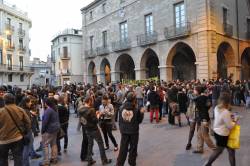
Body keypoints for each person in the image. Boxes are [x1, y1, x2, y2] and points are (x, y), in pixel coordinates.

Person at [204, 92, 237, 166]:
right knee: (221, 150)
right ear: (228, 101)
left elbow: (221, 118)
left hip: (217, 132)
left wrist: (229, 114)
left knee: (228, 150)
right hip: (223, 134)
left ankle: (208, 164)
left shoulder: (216, 108)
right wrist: (235, 120)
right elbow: (230, 126)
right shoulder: (225, 112)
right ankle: (208, 164)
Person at [79, 96, 112, 166]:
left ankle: (89, 160)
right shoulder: (91, 110)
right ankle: (104, 160)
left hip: (87, 129)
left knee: (90, 144)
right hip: (94, 129)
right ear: (89, 101)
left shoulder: (80, 110)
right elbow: (96, 121)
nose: (93, 102)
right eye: (92, 101)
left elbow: (82, 121)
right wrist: (98, 115)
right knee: (100, 144)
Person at [0, 93, 31, 166]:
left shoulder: (1, 111)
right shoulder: (20, 109)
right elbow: (28, 122)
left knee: (3, 159)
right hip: (17, 138)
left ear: (4, 101)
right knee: (18, 158)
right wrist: (25, 132)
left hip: (3, 140)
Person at [116, 92, 144, 166]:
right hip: (133, 131)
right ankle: (131, 162)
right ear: (134, 99)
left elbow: (120, 120)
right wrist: (141, 113)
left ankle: (119, 163)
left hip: (124, 131)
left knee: (123, 148)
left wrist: (121, 129)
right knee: (133, 148)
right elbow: (139, 121)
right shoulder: (136, 109)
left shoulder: (121, 108)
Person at [193, 86, 216, 153]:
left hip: (204, 119)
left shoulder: (199, 99)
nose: (193, 91)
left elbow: (203, 110)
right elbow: (208, 106)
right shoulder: (205, 97)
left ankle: (215, 148)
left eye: (194, 90)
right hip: (204, 118)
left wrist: (204, 119)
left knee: (205, 136)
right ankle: (200, 148)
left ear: (197, 91)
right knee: (199, 134)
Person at [19, 97, 41, 166]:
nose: (31, 103)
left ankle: (31, 155)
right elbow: (28, 122)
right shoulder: (26, 111)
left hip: (23, 132)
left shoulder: (20, 109)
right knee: (26, 148)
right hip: (27, 132)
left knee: (26, 147)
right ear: (26, 103)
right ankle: (25, 163)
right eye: (29, 102)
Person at [39, 98, 60, 166]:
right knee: (54, 144)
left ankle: (46, 162)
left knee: (45, 145)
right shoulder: (55, 109)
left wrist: (42, 130)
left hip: (49, 130)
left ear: (46, 103)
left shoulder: (48, 110)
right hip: (55, 129)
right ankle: (54, 158)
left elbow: (45, 122)